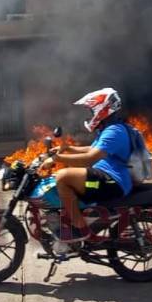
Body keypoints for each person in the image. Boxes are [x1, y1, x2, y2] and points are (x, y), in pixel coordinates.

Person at [40, 87, 132, 247]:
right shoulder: (109, 128)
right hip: (106, 176)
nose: (89, 115)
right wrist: (68, 148)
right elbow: (92, 149)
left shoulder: (114, 131)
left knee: (63, 176)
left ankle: (81, 230)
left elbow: (90, 158)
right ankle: (73, 218)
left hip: (112, 181)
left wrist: (56, 158)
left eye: (91, 110)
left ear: (101, 109)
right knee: (60, 179)